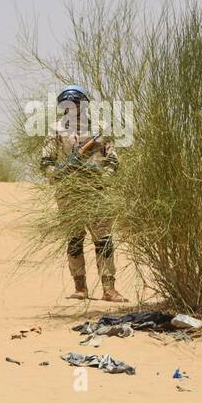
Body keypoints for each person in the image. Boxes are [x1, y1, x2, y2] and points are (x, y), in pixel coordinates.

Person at [40, 86, 126, 302]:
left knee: (104, 239)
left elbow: (113, 160)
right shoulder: (56, 130)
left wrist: (102, 176)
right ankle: (80, 288)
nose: (73, 108)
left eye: (77, 103)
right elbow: (46, 162)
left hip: (97, 191)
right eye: (68, 104)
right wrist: (58, 174)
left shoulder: (100, 128)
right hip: (69, 192)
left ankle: (109, 289)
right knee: (75, 239)